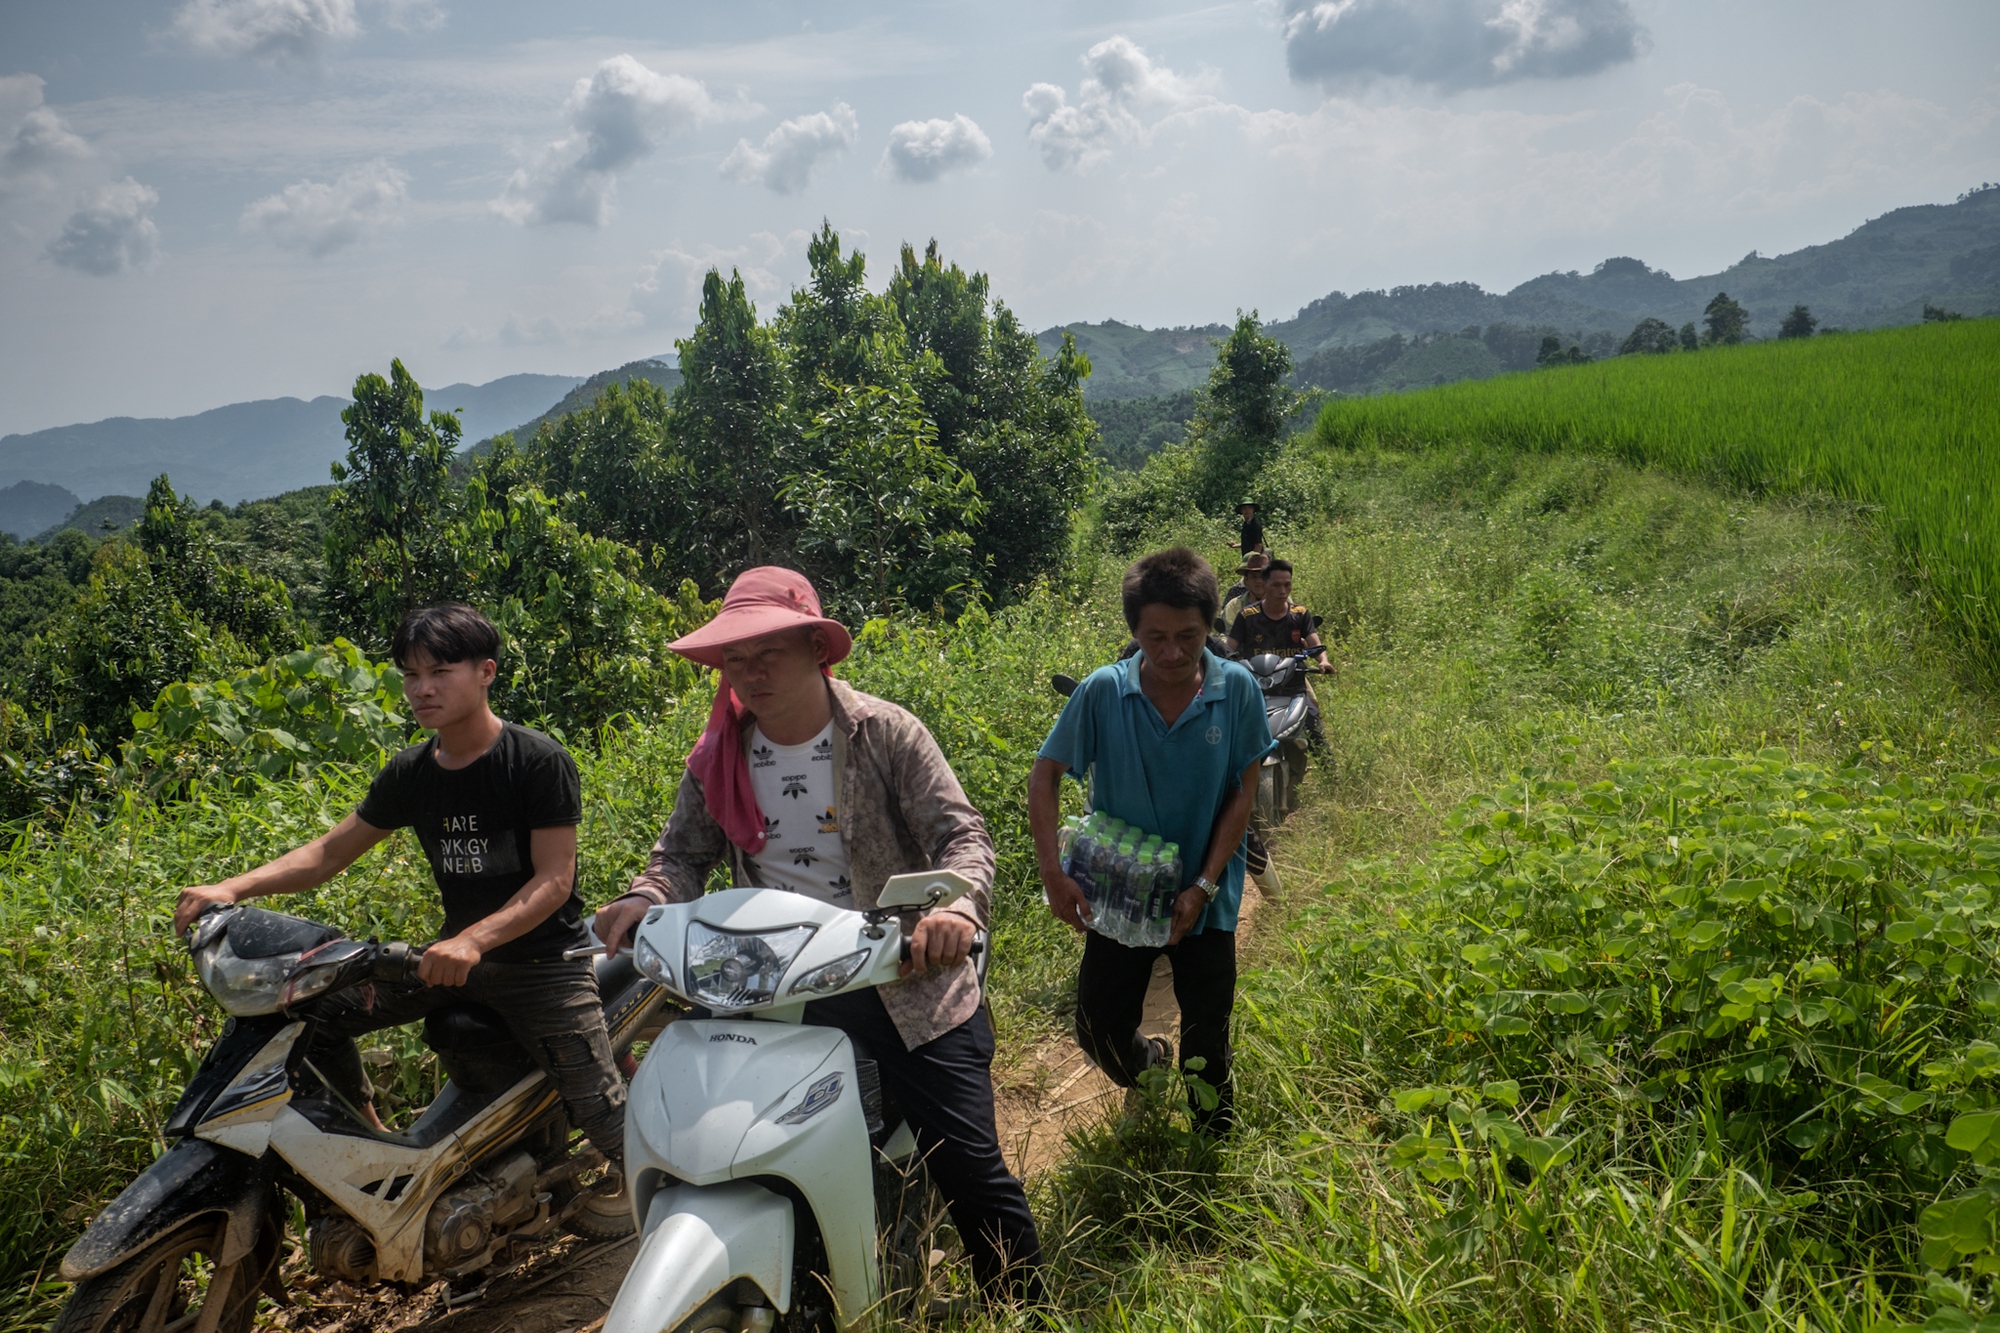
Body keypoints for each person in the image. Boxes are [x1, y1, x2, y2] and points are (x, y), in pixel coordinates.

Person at [591, 567, 1044, 1304]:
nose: (751, 671)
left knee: (967, 1162)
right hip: (770, 986)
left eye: (768, 649)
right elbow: (680, 854)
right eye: (736, 658)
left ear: (815, 647)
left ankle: (1023, 1303)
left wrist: (955, 911)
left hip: (901, 978)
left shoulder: (884, 733)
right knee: (721, 1138)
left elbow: (961, 835)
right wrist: (646, 896)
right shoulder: (718, 756)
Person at [172, 603, 626, 1163]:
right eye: (411, 675)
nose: (421, 689)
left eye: (440, 672)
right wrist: (233, 888)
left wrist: (473, 940)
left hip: (542, 969)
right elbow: (327, 852)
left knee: (608, 1125)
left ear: (486, 672)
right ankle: (375, 1150)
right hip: (446, 965)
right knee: (310, 1017)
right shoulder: (411, 772)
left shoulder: (534, 760)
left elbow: (554, 881)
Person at [1028, 548, 1274, 1137]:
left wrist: (1204, 884)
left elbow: (1244, 786)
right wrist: (1052, 874)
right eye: (1154, 637)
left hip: (1205, 901)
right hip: (1120, 898)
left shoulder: (1234, 689)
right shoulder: (1101, 693)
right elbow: (1045, 774)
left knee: (1208, 1038)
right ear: (1132, 631)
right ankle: (1149, 1066)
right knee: (1097, 1028)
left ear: (1209, 626)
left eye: (1187, 635)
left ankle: (1212, 1151)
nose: (1171, 652)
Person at [1225, 558, 1326, 752]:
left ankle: (1330, 774)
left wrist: (1323, 661)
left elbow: (1315, 642)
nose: (1282, 591)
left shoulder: (1300, 614)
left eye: (1287, 585)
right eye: (1276, 585)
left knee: (1313, 722)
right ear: (1265, 585)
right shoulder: (1246, 615)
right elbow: (1229, 647)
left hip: (1292, 684)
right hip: (1255, 685)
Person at [1217, 551, 1270, 635]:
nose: (1258, 581)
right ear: (1246, 580)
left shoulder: (1283, 602)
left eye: (1262, 576)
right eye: (1253, 577)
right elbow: (1226, 635)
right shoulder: (1234, 606)